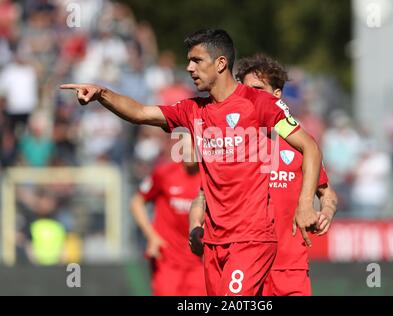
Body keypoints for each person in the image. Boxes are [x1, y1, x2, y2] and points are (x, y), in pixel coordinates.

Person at [61, 29, 322, 296]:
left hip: (251, 240)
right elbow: (140, 113)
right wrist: (101, 94)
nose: (189, 68)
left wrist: (305, 205)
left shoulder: (259, 103)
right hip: (213, 242)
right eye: (189, 61)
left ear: (220, 63)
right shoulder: (192, 110)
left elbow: (310, 147)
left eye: (196, 60)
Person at [190, 54, 338, 296]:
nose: (250, 96)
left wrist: (325, 213)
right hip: (245, 264)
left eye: (258, 89)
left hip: (289, 268)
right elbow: (201, 197)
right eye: (245, 89)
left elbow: (327, 193)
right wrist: (195, 228)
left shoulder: (299, 146)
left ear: (277, 95)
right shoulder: (232, 145)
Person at [129, 134, 205, 296]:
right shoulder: (164, 174)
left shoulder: (209, 178)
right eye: (186, 147)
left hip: (199, 262)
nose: (189, 152)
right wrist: (151, 236)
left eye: (193, 147)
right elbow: (136, 202)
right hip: (167, 260)